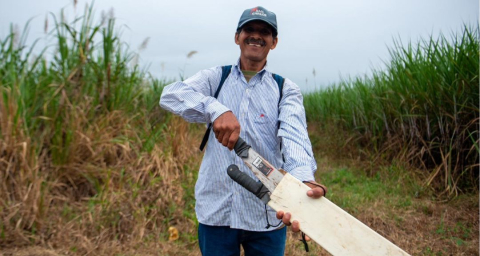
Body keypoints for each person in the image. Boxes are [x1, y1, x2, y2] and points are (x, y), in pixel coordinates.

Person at [160, 6, 327, 256]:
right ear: (237, 37)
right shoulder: (215, 78)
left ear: (274, 42)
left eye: (265, 32)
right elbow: (170, 96)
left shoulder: (285, 89)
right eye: (249, 29)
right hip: (216, 211)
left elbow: (295, 136)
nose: (256, 36)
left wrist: (304, 180)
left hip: (265, 213)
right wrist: (215, 109)